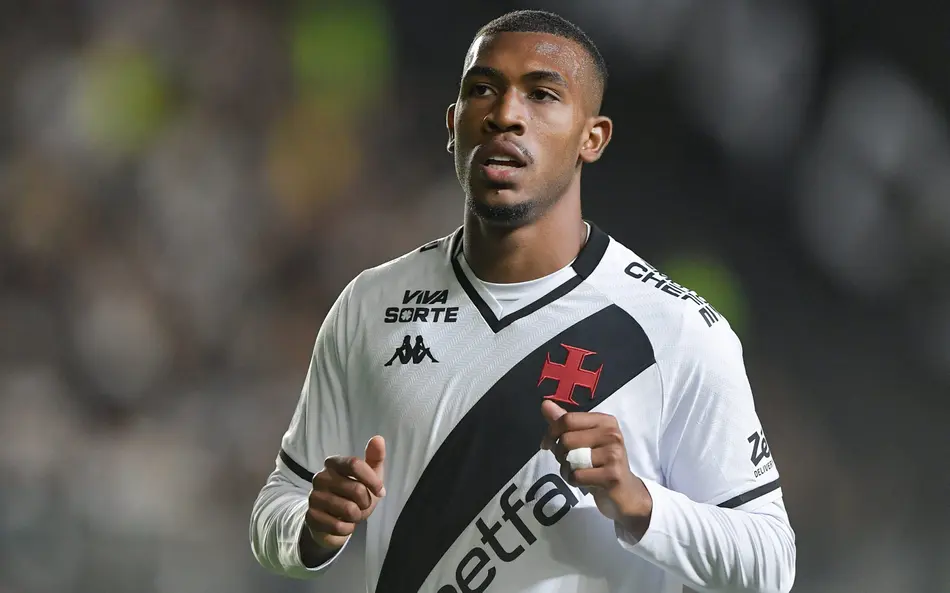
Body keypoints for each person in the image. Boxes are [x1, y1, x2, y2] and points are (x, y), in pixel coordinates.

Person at [250, 9, 796, 593]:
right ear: (453, 123)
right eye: (483, 89)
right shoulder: (370, 304)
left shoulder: (675, 329)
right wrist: (311, 528)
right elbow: (277, 507)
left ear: (592, 138)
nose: (506, 114)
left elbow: (770, 564)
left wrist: (640, 503)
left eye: (541, 94)